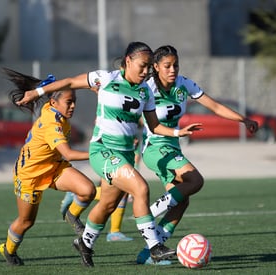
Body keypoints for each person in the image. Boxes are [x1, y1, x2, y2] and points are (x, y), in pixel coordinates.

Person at [17, 41, 202, 267]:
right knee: (140, 188)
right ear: (128, 61)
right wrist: (36, 92)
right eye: (142, 66)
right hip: (103, 150)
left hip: (124, 154)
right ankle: (155, 247)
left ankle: (85, 242)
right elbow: (68, 82)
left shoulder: (145, 91)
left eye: (148, 68)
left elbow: (154, 126)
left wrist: (177, 131)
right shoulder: (105, 78)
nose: (146, 72)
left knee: (107, 205)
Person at [136, 45, 259, 265]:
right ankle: (149, 213)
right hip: (155, 148)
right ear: (155, 67)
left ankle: (149, 253)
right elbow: (130, 111)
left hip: (172, 148)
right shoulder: (147, 88)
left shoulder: (184, 84)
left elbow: (214, 106)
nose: (173, 69)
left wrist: (244, 120)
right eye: (167, 66)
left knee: (182, 202)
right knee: (195, 180)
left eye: (175, 65)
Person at [0, 69, 96, 266]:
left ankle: (71, 214)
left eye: (74, 101)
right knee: (26, 222)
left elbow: (67, 83)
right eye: (69, 102)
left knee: (88, 190)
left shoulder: (54, 107)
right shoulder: (52, 123)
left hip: (53, 167)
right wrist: (98, 152)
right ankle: (8, 250)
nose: (73, 106)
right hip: (29, 175)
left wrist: (94, 86)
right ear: (54, 103)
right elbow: (69, 154)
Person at [59, 136, 141, 242]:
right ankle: (114, 232)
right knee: (118, 190)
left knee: (119, 191)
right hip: (112, 148)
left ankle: (114, 231)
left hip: (118, 147)